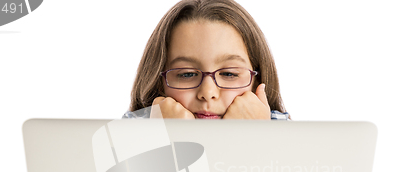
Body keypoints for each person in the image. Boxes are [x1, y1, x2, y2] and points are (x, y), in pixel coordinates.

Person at [122, 0, 291, 120]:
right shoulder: (127, 134)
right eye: (187, 74)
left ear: (257, 82)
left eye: (229, 73)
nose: (208, 93)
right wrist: (164, 140)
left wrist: (259, 139)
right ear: (160, 85)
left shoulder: (293, 138)